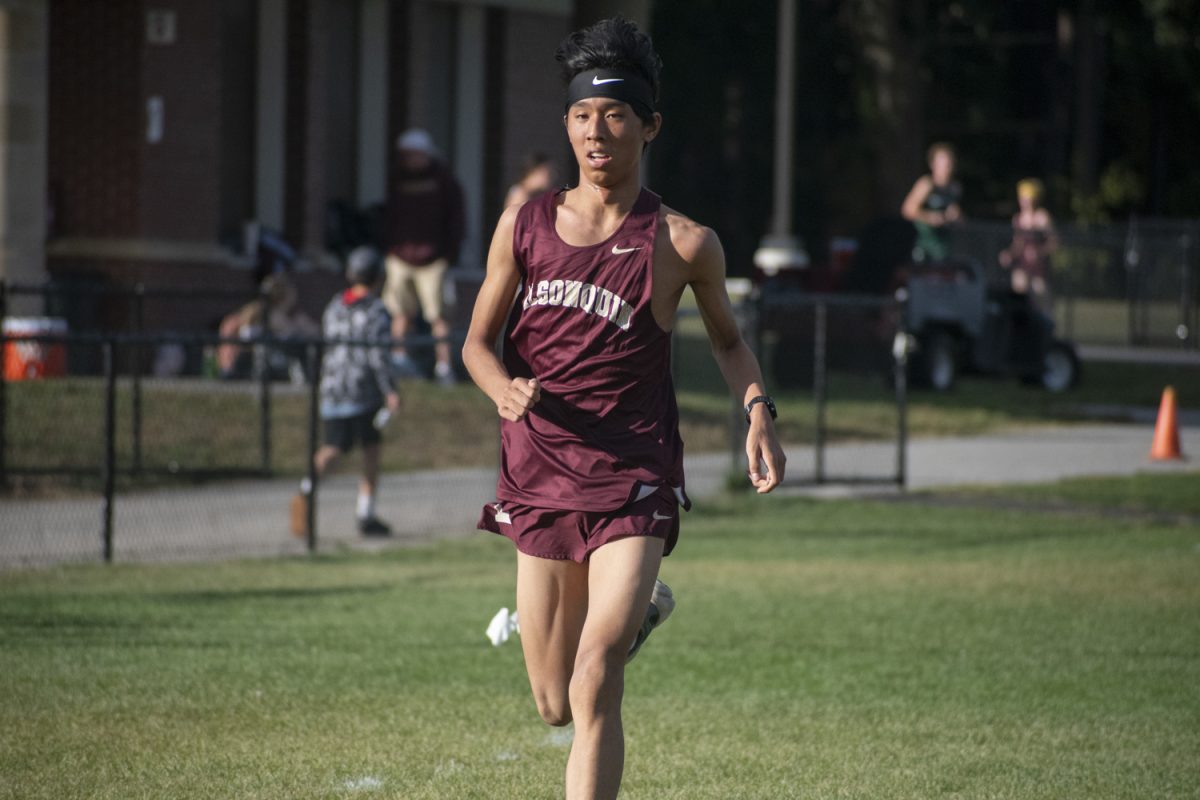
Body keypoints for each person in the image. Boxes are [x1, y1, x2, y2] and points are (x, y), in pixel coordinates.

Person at [461, 17, 786, 799]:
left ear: (649, 125)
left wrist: (758, 411)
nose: (594, 132)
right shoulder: (526, 224)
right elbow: (475, 343)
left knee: (595, 677)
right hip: (538, 473)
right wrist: (501, 387)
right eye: (580, 116)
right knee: (550, 702)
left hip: (632, 479)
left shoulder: (683, 245)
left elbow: (730, 344)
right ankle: (640, 615)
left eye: (612, 116)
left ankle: (623, 623)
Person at [290, 246, 400, 538]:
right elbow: (379, 355)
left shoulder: (336, 304)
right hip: (362, 391)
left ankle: (308, 490)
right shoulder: (376, 310)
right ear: (378, 277)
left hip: (332, 386)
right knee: (360, 451)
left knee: (342, 446)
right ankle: (363, 511)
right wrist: (390, 390)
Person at [382, 128, 466, 386]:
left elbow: (456, 220)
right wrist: (391, 246)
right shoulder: (397, 179)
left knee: (437, 316)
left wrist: (449, 253)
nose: (409, 160)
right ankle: (399, 359)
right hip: (400, 258)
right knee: (400, 312)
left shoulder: (444, 181)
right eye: (405, 156)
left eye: (413, 155)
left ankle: (444, 367)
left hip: (433, 259)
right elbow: (389, 216)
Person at [216, 273, 318, 380]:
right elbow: (293, 335)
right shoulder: (270, 314)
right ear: (284, 295)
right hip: (247, 369)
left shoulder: (261, 311)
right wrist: (299, 327)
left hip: (249, 367)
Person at [998, 178, 1056, 310]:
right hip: (1022, 266)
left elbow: (1054, 242)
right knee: (1019, 296)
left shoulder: (1042, 218)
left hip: (1040, 270)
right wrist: (1009, 254)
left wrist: (1040, 252)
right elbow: (1017, 244)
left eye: (1028, 198)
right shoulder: (1018, 219)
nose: (1025, 202)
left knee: (1041, 301)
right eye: (1022, 198)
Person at [901, 142, 963, 263]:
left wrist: (956, 217)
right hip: (923, 246)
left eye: (948, 163)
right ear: (933, 164)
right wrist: (930, 218)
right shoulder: (926, 184)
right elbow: (907, 210)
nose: (946, 167)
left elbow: (960, 220)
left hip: (943, 248)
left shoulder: (954, 188)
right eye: (942, 163)